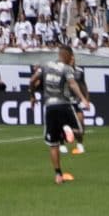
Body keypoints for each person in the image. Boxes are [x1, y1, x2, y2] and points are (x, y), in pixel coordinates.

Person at [31, 44, 93, 185]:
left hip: (50, 107)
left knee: (53, 145)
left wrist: (32, 96)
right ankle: (66, 132)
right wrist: (83, 99)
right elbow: (72, 84)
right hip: (64, 105)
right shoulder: (67, 68)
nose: (72, 58)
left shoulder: (45, 66)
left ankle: (58, 175)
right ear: (67, 55)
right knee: (79, 130)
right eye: (71, 56)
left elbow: (32, 81)